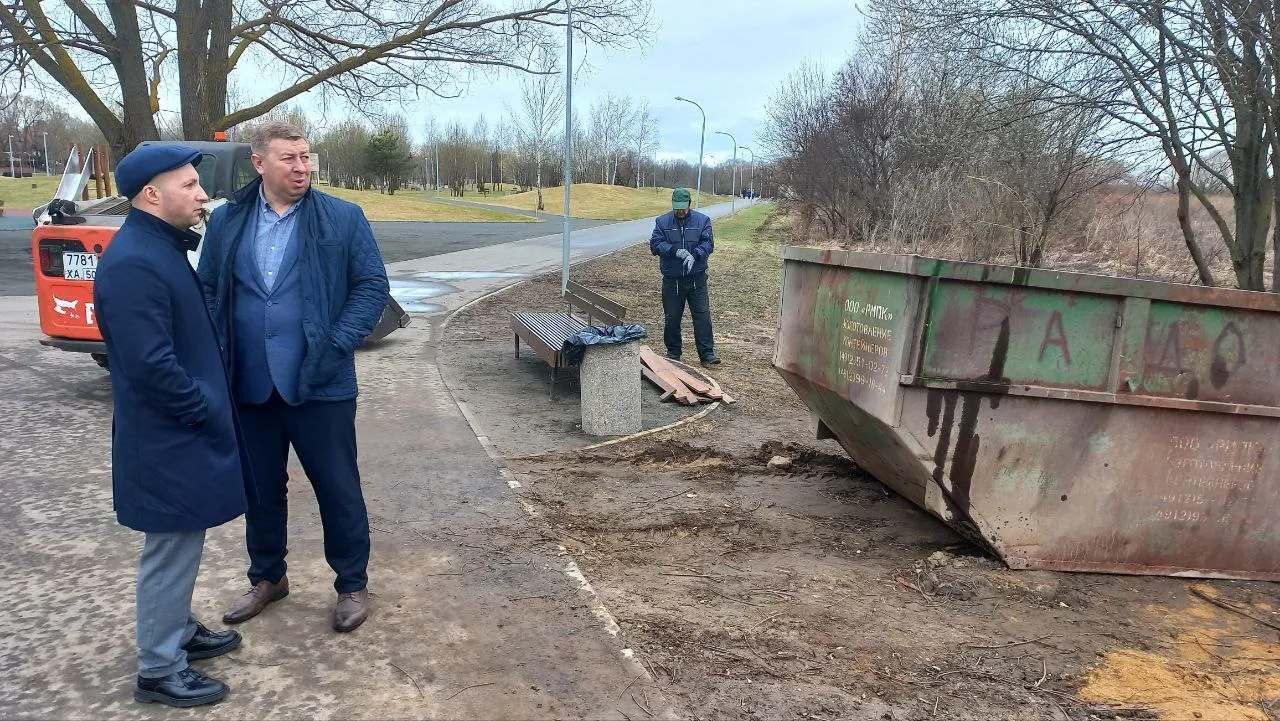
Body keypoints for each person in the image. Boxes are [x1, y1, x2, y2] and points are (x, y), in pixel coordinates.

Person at [197, 122, 389, 633]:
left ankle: (351, 583)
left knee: (337, 485)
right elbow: (210, 288)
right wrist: (220, 351)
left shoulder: (343, 218)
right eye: (289, 158)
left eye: (306, 157)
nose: (302, 167)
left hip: (320, 382)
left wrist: (337, 343)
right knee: (260, 488)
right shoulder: (228, 221)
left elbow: (371, 287)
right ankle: (268, 577)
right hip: (250, 384)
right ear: (259, 163)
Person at [94, 144, 250, 707]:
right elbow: (149, 365)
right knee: (171, 546)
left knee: (184, 538)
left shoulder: (156, 248)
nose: (202, 194)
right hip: (167, 436)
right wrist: (202, 408)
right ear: (151, 195)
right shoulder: (135, 260)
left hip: (176, 432)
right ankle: (159, 667)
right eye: (188, 185)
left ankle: (177, 630)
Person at [649, 187, 721, 366]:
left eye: (683, 207)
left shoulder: (702, 220)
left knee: (702, 316)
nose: (680, 211)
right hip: (672, 280)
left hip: (696, 279)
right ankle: (673, 352)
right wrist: (675, 251)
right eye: (677, 207)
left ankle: (707, 354)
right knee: (672, 317)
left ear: (689, 205)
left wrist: (694, 254)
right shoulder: (662, 222)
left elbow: (708, 244)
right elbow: (655, 245)